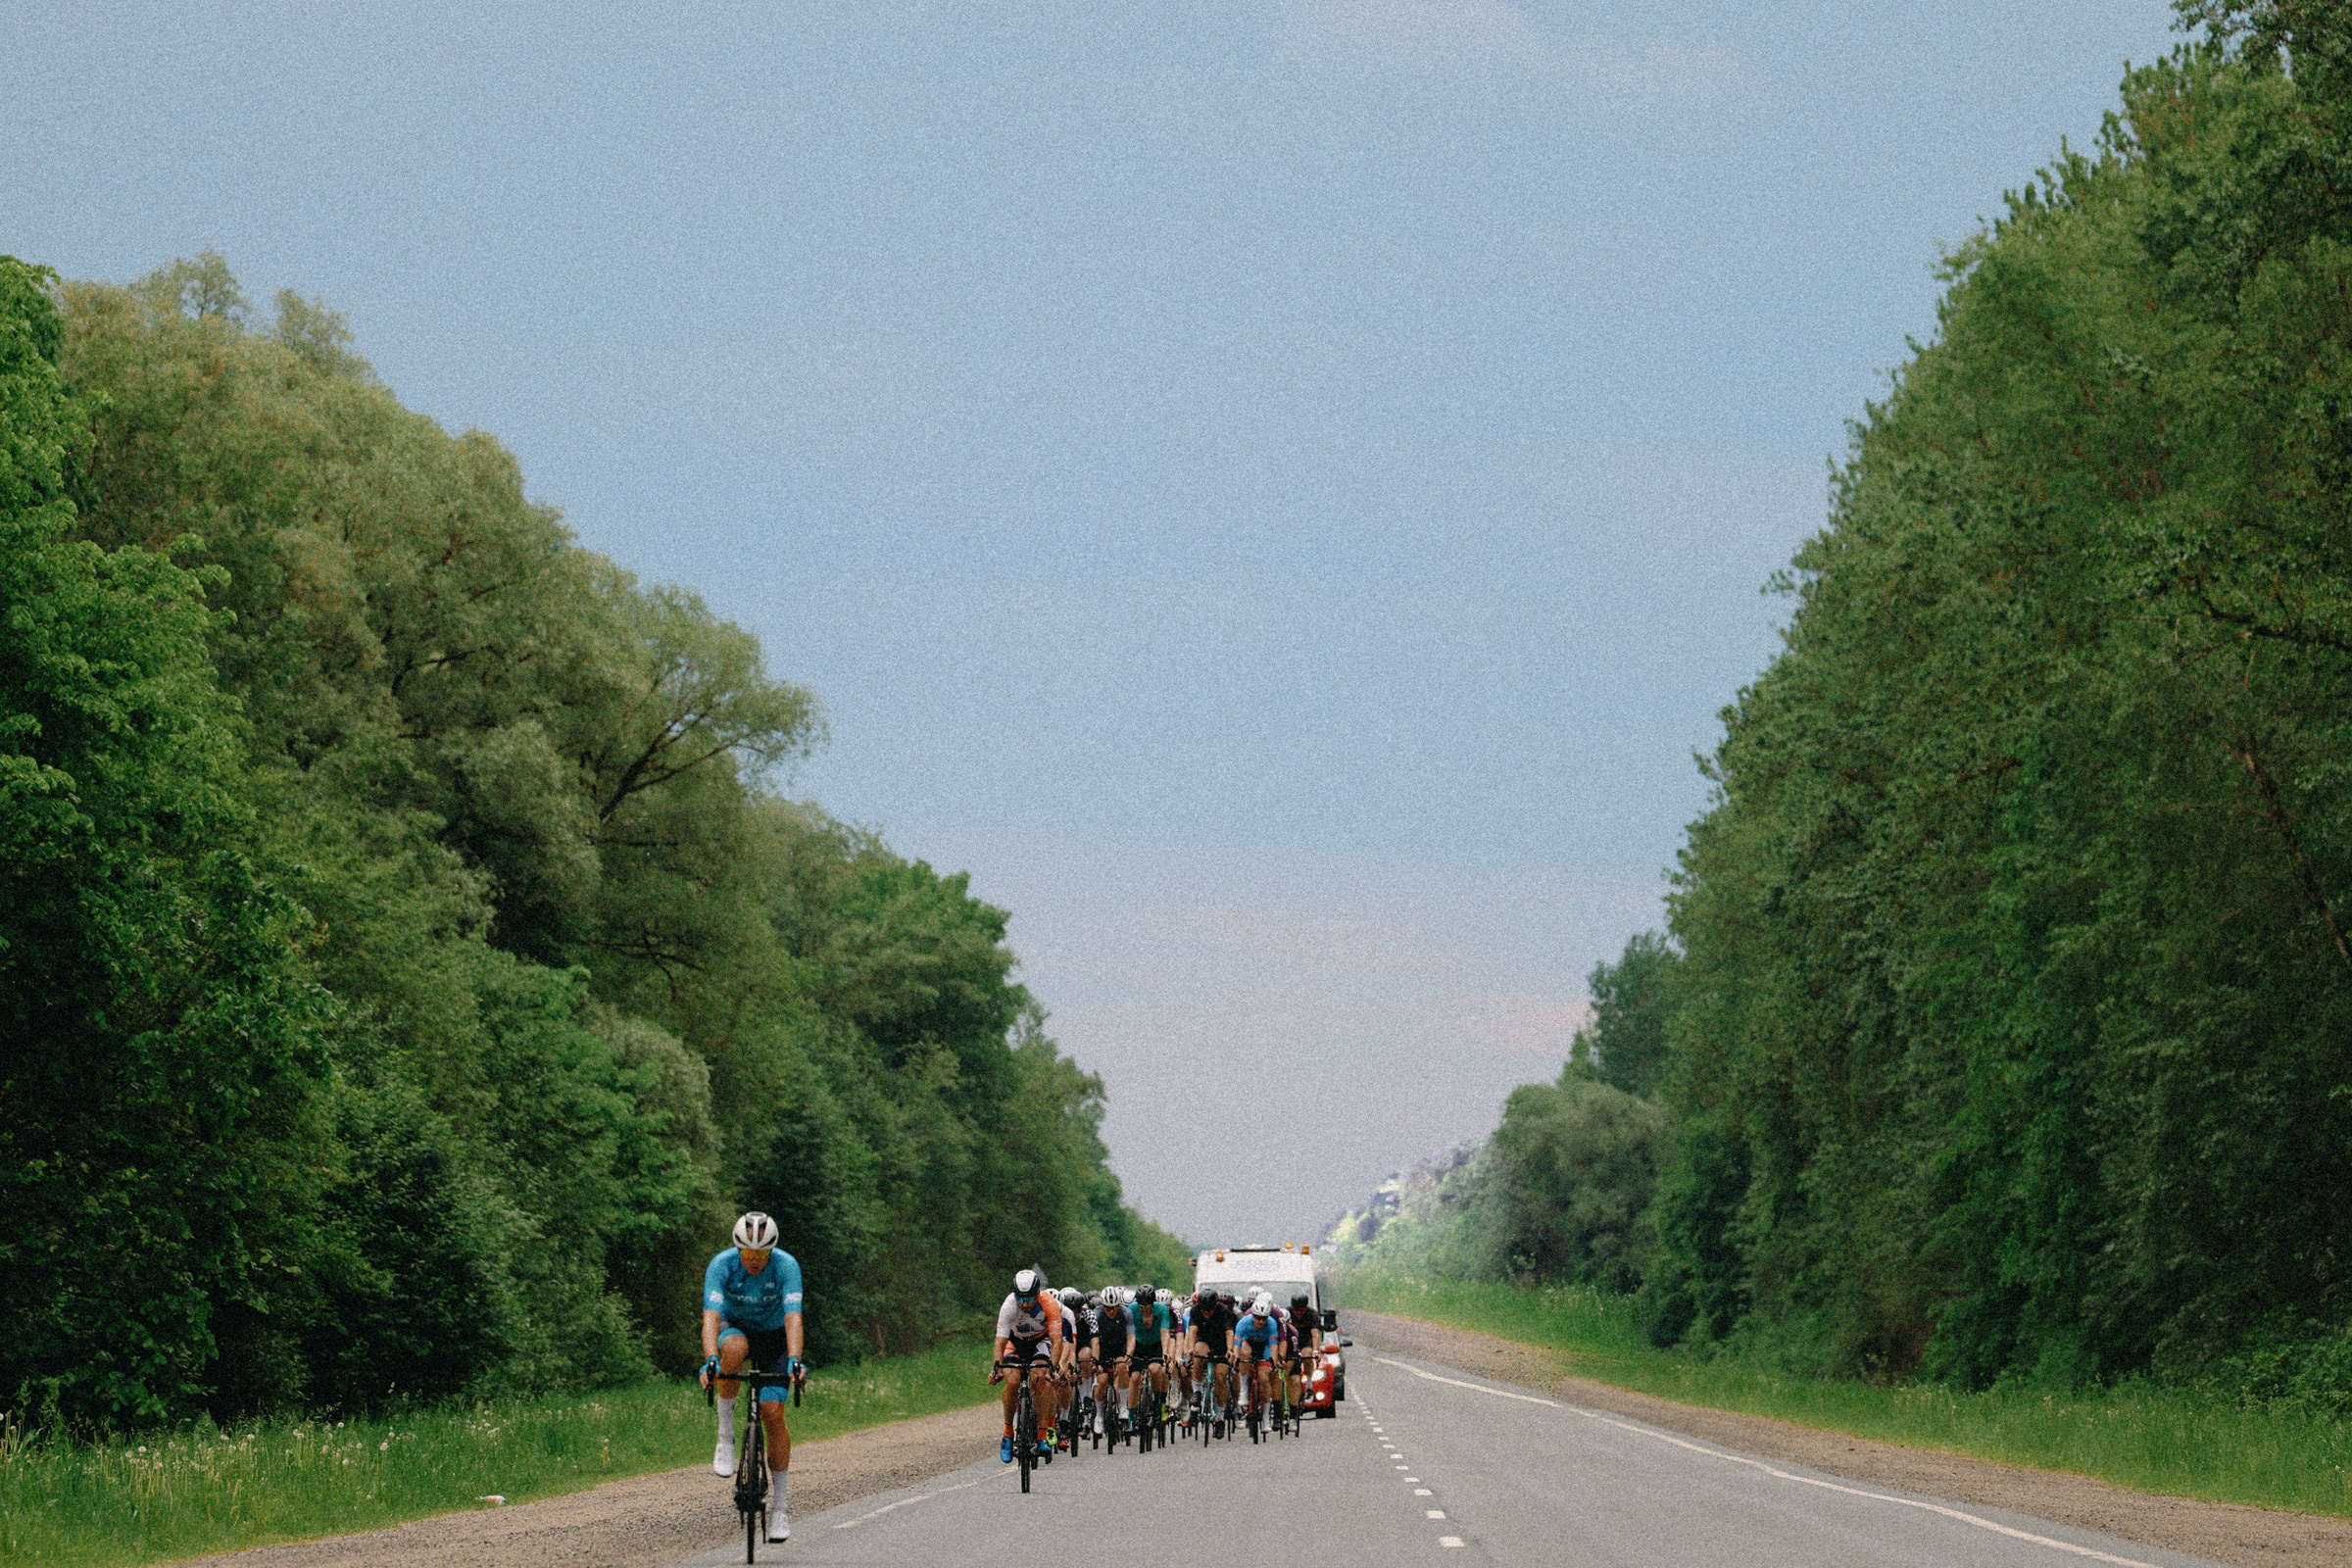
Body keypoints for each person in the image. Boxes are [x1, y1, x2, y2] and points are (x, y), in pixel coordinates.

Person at [698, 1211, 805, 1543]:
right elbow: (711, 1318)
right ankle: (726, 1435)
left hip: (774, 1338)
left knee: (773, 1413)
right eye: (747, 1253)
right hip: (737, 1329)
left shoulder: (786, 1266)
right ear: (737, 1249)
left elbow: (793, 1318)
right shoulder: (721, 1265)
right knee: (731, 1349)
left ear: (771, 1251)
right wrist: (710, 1360)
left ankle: (780, 1508)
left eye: (761, 1254)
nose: (754, 1260)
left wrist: (794, 1360)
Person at [990, 1267, 1065, 1464]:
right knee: (1012, 1381)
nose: (1024, 1304)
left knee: (1040, 1378)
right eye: (1020, 1298)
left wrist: (1052, 1368)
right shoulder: (1009, 1305)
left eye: (1030, 1298)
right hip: (1015, 1342)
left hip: (1040, 1341)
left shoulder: (1049, 1303)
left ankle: (1042, 1435)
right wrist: (997, 1368)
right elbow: (1000, 1341)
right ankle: (1008, 1433)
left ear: (1038, 1293)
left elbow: (1057, 1341)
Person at [1123, 1281, 1173, 1436]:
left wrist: (1165, 1352)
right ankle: (1131, 1419)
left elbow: (1164, 1332)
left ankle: (1158, 1404)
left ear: (1153, 1303)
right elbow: (1130, 1335)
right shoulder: (1131, 1310)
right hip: (1138, 1344)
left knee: (1155, 1369)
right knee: (1135, 1378)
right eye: (1142, 1306)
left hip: (1155, 1345)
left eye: (1148, 1306)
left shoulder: (1162, 1309)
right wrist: (1129, 1354)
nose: (1145, 1309)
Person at [1187, 1285, 1236, 1427]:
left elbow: (1229, 1333)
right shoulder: (1195, 1310)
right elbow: (1192, 1331)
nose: (1206, 1312)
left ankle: (1220, 1417)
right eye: (1204, 1310)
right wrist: (1190, 1349)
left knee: (1221, 1377)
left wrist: (1230, 1350)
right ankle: (1197, 1391)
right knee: (1198, 1351)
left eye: (1209, 1310)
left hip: (1221, 1345)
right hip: (1204, 1341)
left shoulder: (1224, 1311)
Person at [1287, 1292, 1320, 1410]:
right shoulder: (1287, 1313)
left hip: (1306, 1341)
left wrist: (1315, 1351)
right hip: (1291, 1341)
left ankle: (1309, 1386)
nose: (1298, 1313)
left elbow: (1315, 1334)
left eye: (1301, 1310)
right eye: (1296, 1310)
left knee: (1307, 1355)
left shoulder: (1312, 1314)